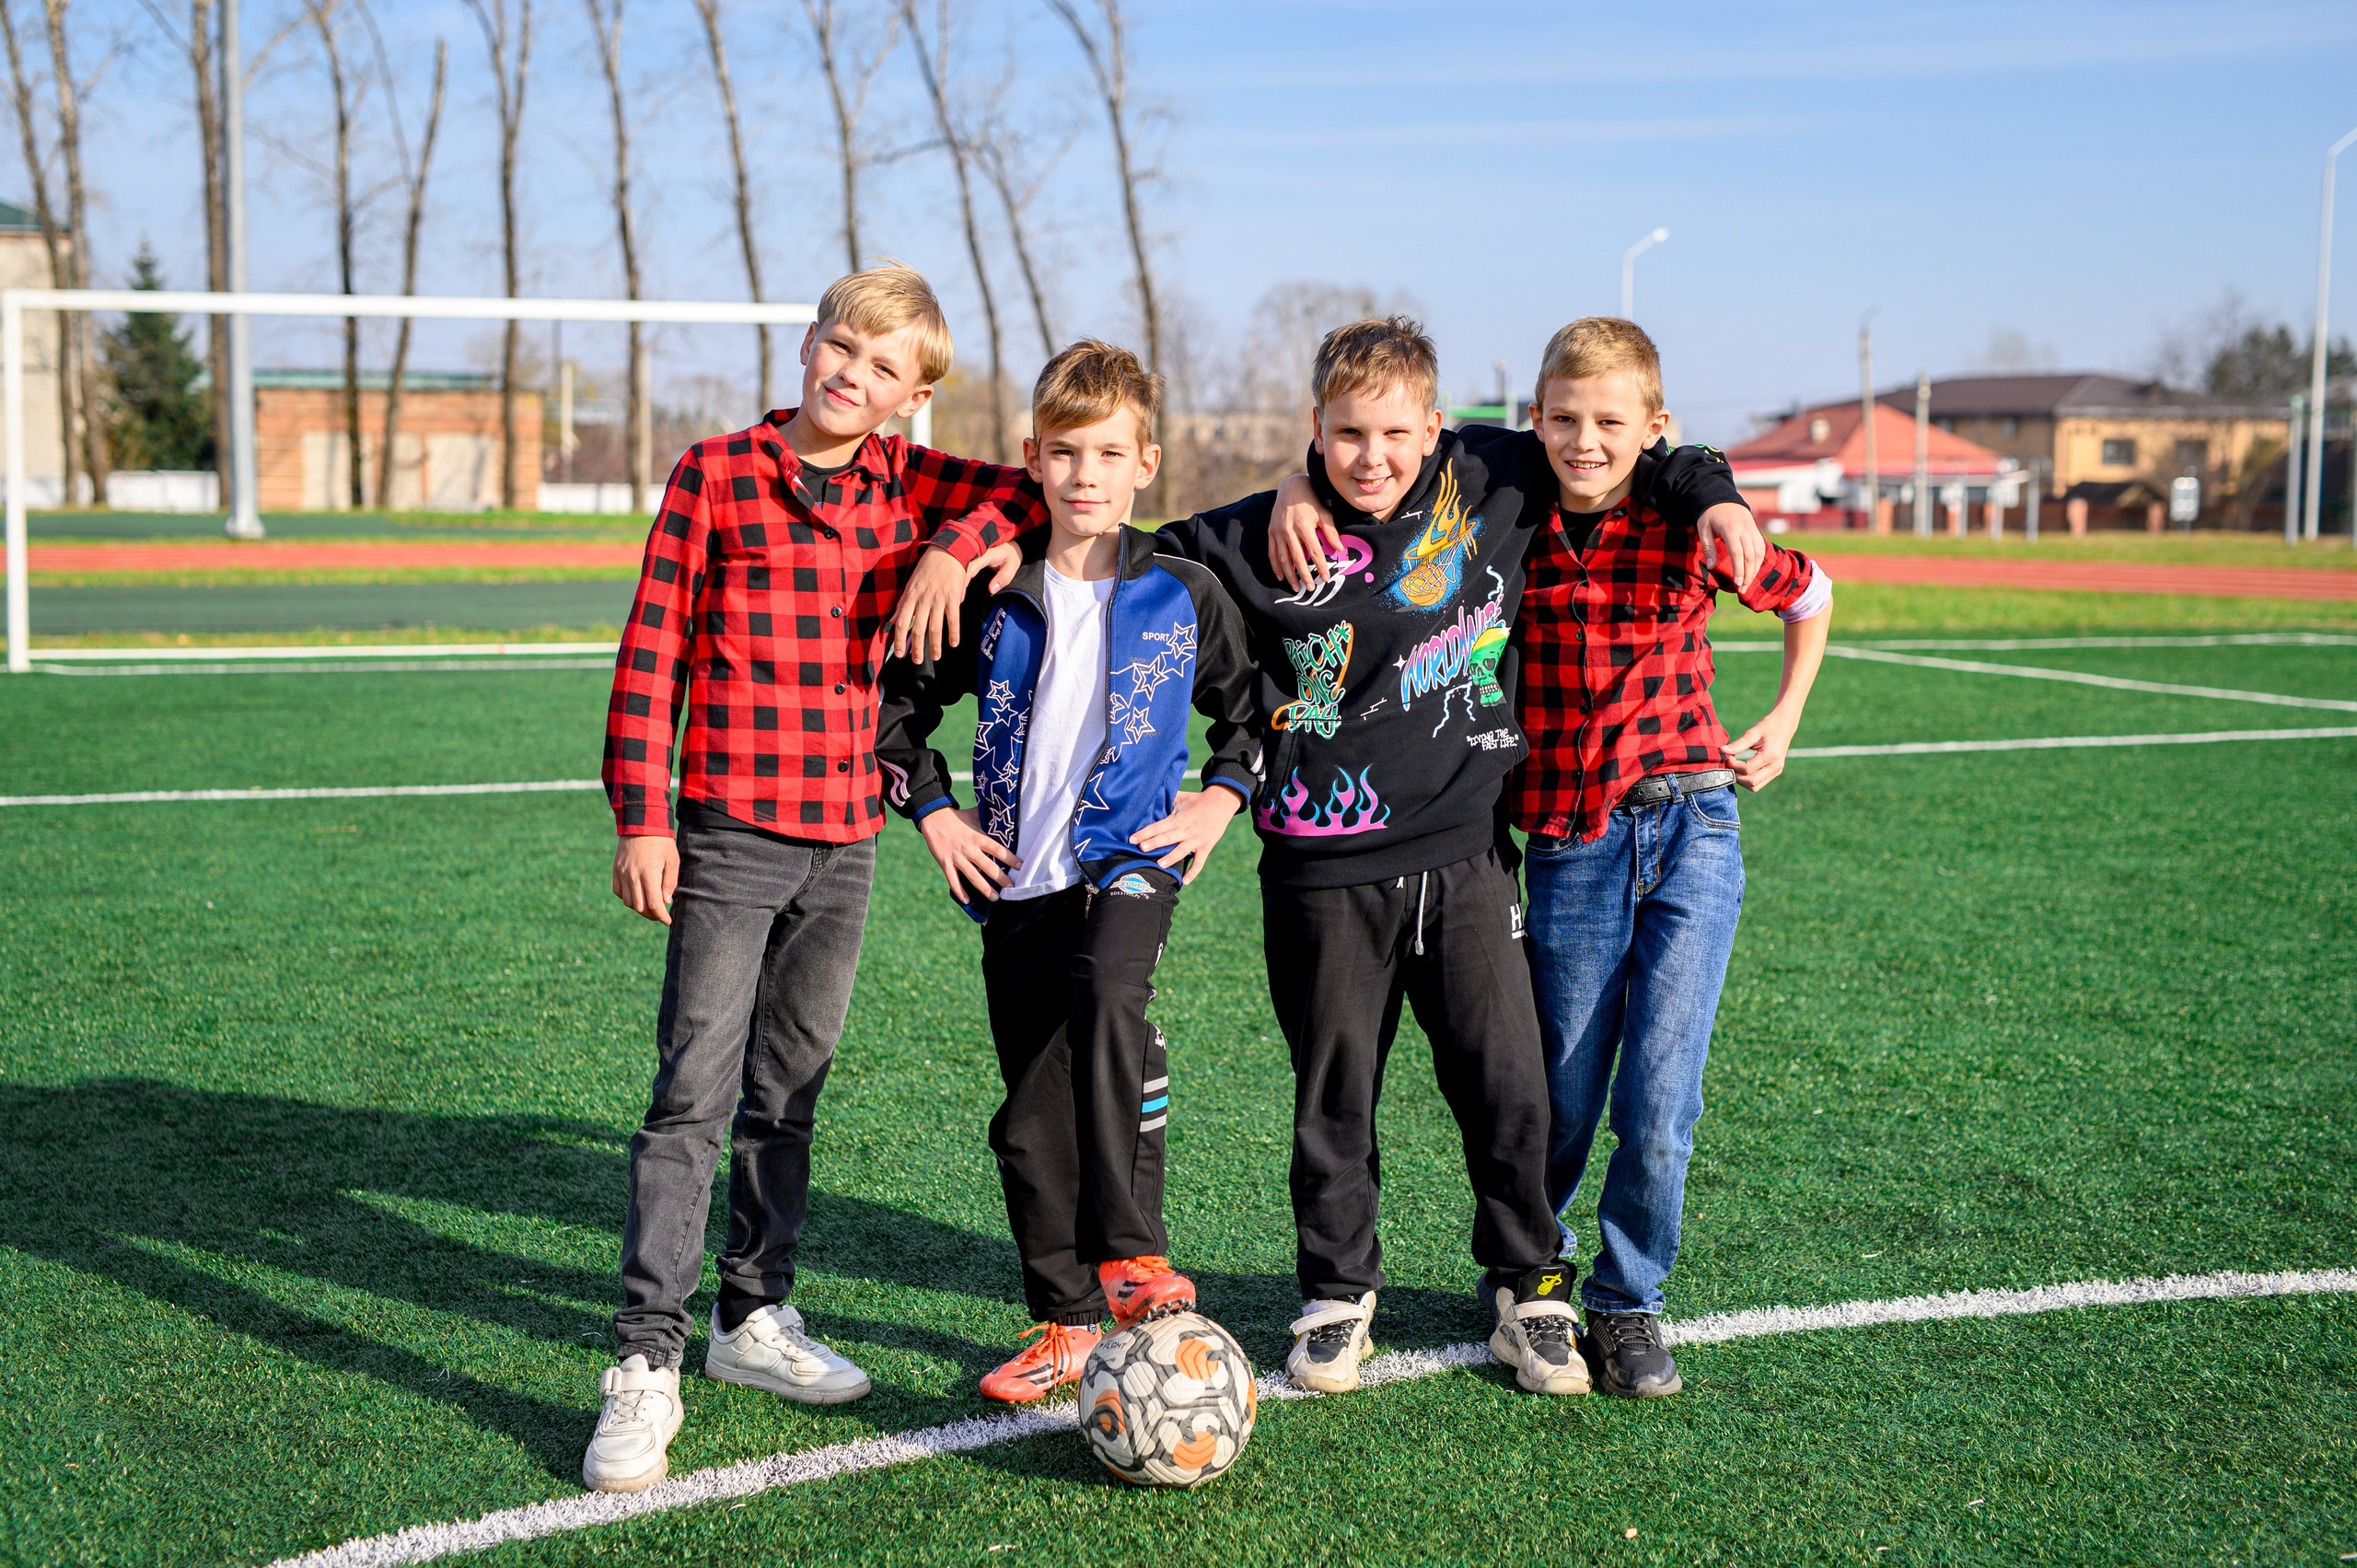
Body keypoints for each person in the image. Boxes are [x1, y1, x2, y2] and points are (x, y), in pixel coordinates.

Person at [1148, 317, 1757, 1397]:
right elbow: (1137, 559)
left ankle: (1530, 1289)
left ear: (1437, 427)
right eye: (1343, 437)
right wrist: (1290, 500)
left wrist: (1717, 498)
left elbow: (1648, 453)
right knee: (1334, 1093)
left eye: (1394, 431)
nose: (1371, 456)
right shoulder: (1257, 533)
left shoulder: (1496, 474)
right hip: (1319, 869)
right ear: (1315, 434)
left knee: (1509, 1084)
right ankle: (1337, 1295)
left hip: (1472, 856)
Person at [584, 261, 1043, 1494]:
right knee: (693, 1092)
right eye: (842, 345)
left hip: (847, 841)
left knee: (787, 1093)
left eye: (885, 365)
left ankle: (753, 1317)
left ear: (911, 396)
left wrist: (954, 550)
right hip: (731, 830)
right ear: (807, 345)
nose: (854, 373)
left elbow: (1030, 490)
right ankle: (645, 1359)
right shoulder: (716, 472)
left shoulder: (909, 480)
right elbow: (652, 649)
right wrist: (645, 817)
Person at [873, 340, 1262, 1403]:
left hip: (1131, 856)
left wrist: (1221, 798)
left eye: (1107, 453)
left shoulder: (1184, 590)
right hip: (1013, 879)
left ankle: (1133, 1253)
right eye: (1063, 453)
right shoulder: (997, 592)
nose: (1084, 474)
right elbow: (895, 712)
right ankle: (1063, 1321)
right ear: (1031, 460)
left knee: (1107, 990)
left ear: (1146, 463)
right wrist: (938, 814)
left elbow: (1259, 713)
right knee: (1026, 1121)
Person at [1504, 318, 1830, 1398]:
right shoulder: (1506, 523)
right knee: (1561, 1085)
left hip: (1693, 824)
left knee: (1660, 1096)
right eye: (1564, 418)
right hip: (1567, 840)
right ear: (1535, 420)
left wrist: (1784, 716)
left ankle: (1629, 1300)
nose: (1585, 440)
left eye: (1610, 421)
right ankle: (1531, 1278)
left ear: (1656, 428)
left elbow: (1813, 592)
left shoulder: (1688, 520)